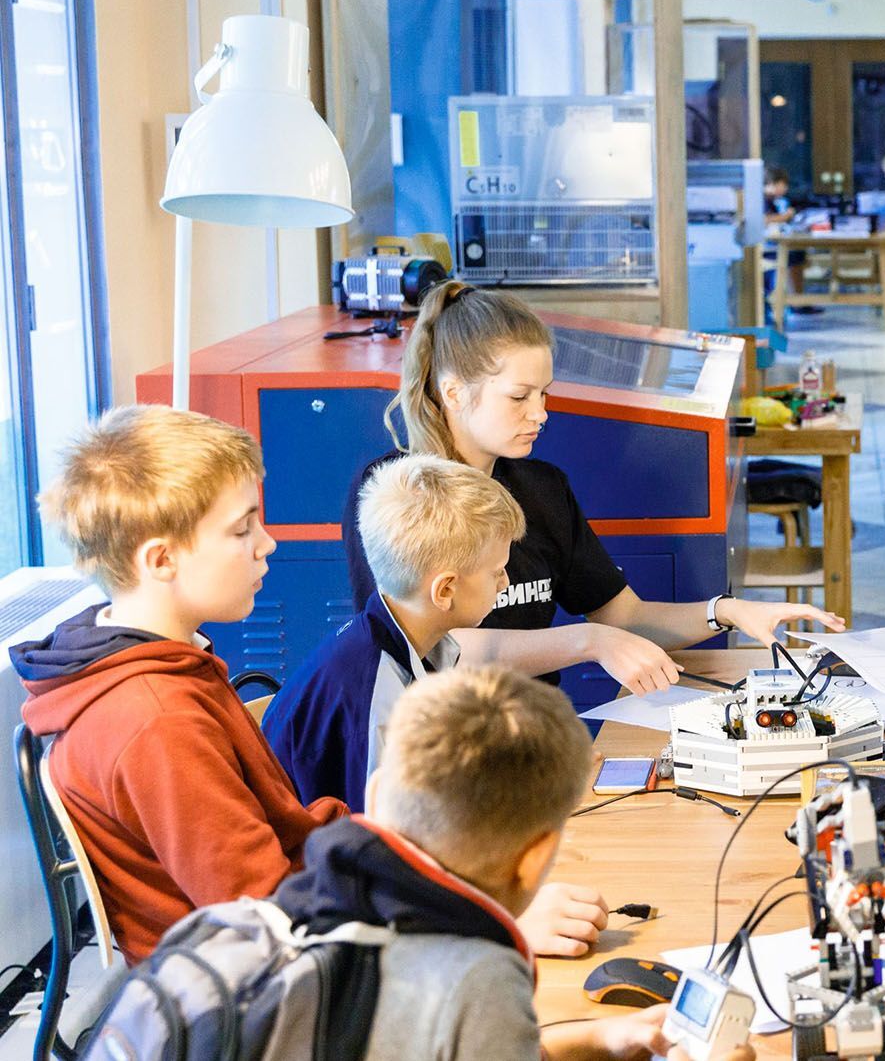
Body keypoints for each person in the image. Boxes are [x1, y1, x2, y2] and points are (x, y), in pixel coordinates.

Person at [344, 282, 843, 699]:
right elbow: (436, 649)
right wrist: (588, 641)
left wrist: (728, 611)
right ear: (454, 391)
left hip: (536, 731)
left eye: (544, 394)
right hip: (443, 743)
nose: (540, 414)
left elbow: (624, 615)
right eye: (519, 397)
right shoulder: (395, 496)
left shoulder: (543, 488)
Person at [269, 665, 754, 1061]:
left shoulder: (281, 914)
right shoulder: (479, 983)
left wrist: (604, 1038)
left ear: (375, 798)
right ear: (536, 859)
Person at [10, 405, 347, 963]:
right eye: (241, 529)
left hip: (274, 931)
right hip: (253, 982)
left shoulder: (153, 658)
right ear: (162, 559)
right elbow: (264, 913)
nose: (266, 544)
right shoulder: (158, 722)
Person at [266, 455, 522, 812]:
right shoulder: (377, 698)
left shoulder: (407, 643)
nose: (505, 582)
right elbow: (384, 834)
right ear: (445, 590)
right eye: (497, 571)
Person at [762, 165, 817, 315]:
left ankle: (797, 299)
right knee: (794, 256)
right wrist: (786, 216)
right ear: (772, 183)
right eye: (782, 185)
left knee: (798, 254)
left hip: (774, 244)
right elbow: (765, 220)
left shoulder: (774, 201)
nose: (785, 189)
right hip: (767, 248)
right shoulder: (762, 200)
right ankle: (795, 301)